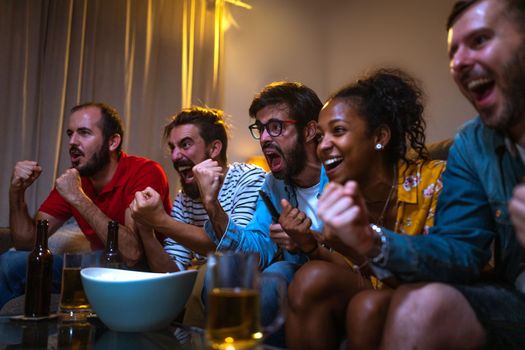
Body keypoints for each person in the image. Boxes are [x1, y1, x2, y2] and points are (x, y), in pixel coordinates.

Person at [319, 0, 525, 348]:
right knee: (419, 306)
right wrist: (370, 239)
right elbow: (460, 252)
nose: (458, 62)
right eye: (453, 52)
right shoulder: (472, 145)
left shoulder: (433, 176)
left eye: (479, 40)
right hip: (514, 303)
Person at [284, 69, 446, 350]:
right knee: (309, 278)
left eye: (338, 131)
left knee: (367, 306)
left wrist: (358, 246)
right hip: (378, 283)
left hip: (431, 290)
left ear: (379, 136)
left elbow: (446, 271)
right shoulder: (341, 196)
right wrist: (312, 246)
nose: (322, 146)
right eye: (320, 136)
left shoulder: (435, 182)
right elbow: (355, 268)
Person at [2, 102, 171, 309]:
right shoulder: (74, 181)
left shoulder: (144, 171)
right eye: (70, 134)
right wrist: (16, 192)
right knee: (11, 262)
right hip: (98, 268)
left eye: (84, 133)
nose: (72, 142)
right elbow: (27, 243)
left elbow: (132, 254)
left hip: (144, 272)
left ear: (112, 142)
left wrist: (78, 198)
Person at [203, 81, 326, 346]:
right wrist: (213, 206)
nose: (266, 138)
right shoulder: (273, 185)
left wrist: (306, 241)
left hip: (330, 275)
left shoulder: (340, 173)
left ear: (310, 130)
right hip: (302, 275)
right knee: (221, 275)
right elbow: (254, 250)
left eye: (276, 127)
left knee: (278, 275)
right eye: (261, 129)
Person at [129, 107, 266, 272]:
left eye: (185, 145)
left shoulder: (248, 178)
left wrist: (160, 220)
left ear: (214, 149)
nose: (174, 156)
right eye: (173, 148)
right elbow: (171, 273)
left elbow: (239, 253)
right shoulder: (184, 199)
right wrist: (146, 228)